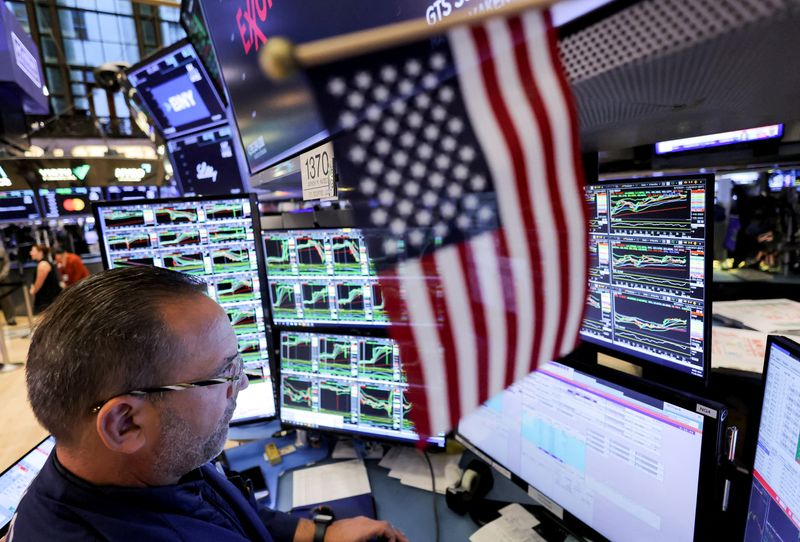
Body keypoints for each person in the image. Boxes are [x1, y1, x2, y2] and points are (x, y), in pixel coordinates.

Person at [13, 267, 406, 542]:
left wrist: (320, 533)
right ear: (124, 424)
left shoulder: (151, 461)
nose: (243, 384)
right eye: (225, 375)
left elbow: (224, 512)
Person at [28, 245, 61, 314]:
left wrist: (33, 290)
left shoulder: (43, 264)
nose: (30, 253)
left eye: (33, 251)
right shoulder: (42, 263)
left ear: (40, 252)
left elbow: (39, 283)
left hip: (49, 299)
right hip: (47, 298)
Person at [0, 244, 16, 325]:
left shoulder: (1, 251)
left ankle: (11, 318)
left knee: (7, 300)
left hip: (3, 280)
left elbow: (7, 264)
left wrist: (2, 275)